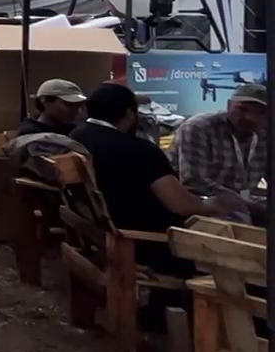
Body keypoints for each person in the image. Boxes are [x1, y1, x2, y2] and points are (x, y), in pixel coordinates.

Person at [69, 83, 244, 275]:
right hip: (146, 243)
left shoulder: (76, 137)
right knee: (240, 250)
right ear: (129, 114)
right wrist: (214, 204)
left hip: (102, 233)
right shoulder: (140, 150)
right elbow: (182, 205)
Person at [174, 82, 270, 223]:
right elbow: (193, 181)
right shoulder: (199, 127)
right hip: (198, 202)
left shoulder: (266, 134)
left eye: (260, 113)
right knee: (237, 220)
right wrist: (245, 203)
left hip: (242, 201)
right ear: (228, 105)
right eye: (242, 109)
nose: (250, 117)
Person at [19, 79, 86, 136]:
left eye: (79, 105)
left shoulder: (74, 131)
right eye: (69, 104)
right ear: (44, 100)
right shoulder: (30, 134)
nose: (77, 111)